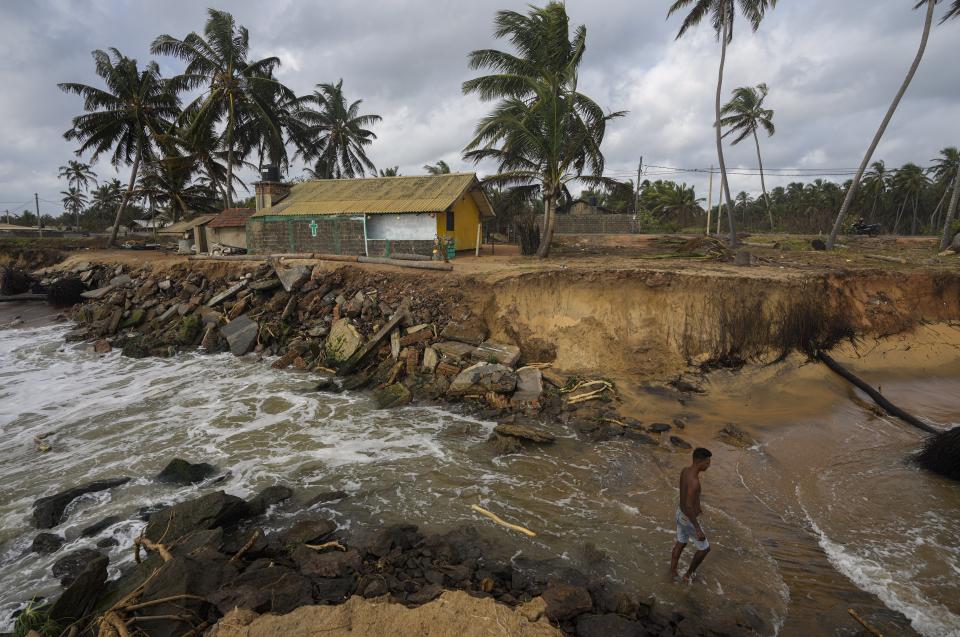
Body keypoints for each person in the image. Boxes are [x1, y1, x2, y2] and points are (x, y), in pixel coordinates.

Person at [670, 447, 712, 583]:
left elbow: (686, 496)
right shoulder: (695, 482)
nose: (708, 465)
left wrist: (698, 506)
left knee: (681, 543)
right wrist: (697, 528)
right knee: (705, 549)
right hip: (688, 518)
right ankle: (688, 574)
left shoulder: (685, 471)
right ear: (700, 461)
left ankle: (673, 571)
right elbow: (689, 505)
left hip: (679, 513)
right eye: (707, 462)